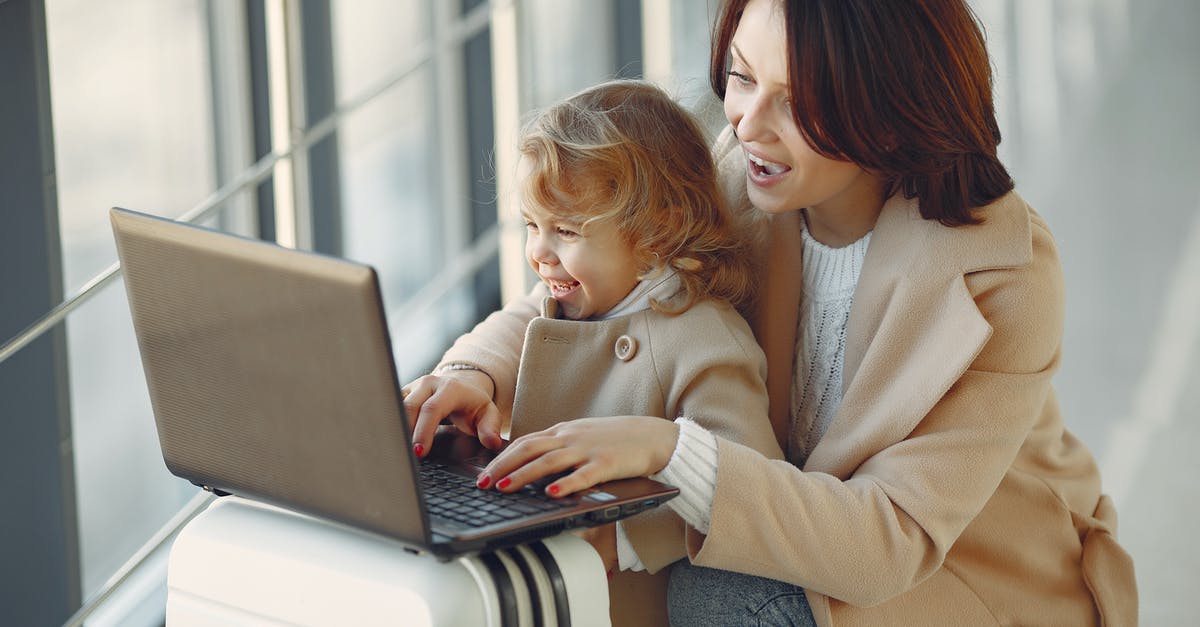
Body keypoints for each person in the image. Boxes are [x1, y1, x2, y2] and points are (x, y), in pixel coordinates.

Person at [423, 0, 1142, 625]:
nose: (747, 122)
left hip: (964, 580)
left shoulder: (1004, 272)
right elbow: (616, 281)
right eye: (740, 75)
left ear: (888, 113)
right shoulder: (745, 178)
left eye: (796, 103)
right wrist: (473, 369)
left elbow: (889, 539)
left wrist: (670, 449)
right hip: (793, 523)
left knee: (718, 596)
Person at [401, 79, 783, 625]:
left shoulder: (703, 337)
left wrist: (624, 535)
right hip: (543, 560)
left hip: (617, 598)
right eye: (532, 226)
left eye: (566, 231)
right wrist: (470, 374)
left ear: (660, 228)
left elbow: (743, 484)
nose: (538, 252)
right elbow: (518, 323)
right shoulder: (580, 290)